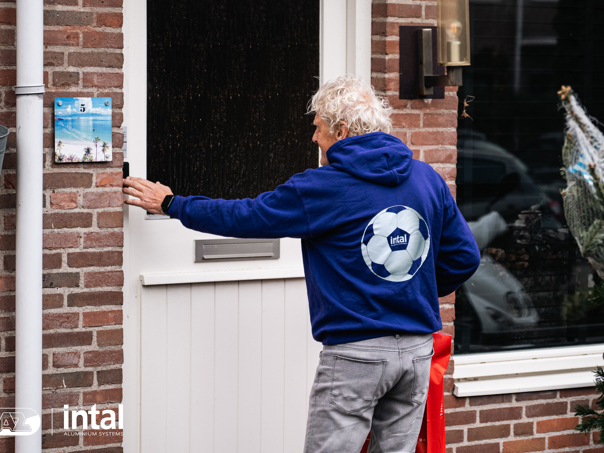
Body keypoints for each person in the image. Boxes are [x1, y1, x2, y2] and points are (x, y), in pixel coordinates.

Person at [123, 75, 480, 452]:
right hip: (417, 352)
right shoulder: (427, 179)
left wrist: (172, 204)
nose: (314, 138)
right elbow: (465, 257)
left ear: (341, 131)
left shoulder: (322, 187)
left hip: (357, 354)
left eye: (318, 128)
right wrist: (408, 291)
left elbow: (247, 217)